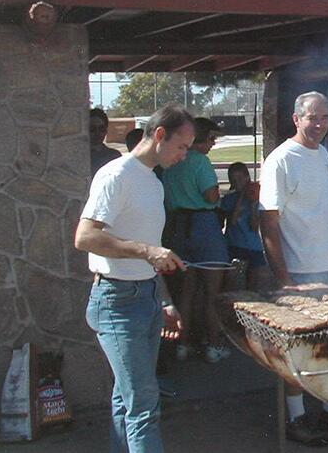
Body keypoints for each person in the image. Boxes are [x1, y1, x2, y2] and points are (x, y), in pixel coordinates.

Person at [75, 104, 194, 453]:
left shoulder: (154, 183)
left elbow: (153, 253)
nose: (184, 156)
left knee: (126, 399)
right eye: (181, 146)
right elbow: (85, 237)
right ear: (159, 135)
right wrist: (145, 251)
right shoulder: (116, 175)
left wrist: (167, 300)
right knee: (143, 402)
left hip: (146, 298)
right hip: (115, 302)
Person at [259, 91, 328, 446]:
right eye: (312, 118)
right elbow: (268, 223)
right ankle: (298, 419)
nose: (319, 125)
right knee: (297, 350)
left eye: (325, 118)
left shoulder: (323, 154)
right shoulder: (280, 160)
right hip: (300, 272)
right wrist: (284, 280)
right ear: (296, 118)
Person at [161, 117, 231, 364]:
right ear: (199, 138)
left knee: (187, 292)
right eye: (211, 138)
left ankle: (183, 344)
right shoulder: (200, 161)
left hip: (178, 227)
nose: (213, 143)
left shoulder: (170, 163)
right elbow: (211, 196)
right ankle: (213, 345)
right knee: (213, 293)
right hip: (204, 227)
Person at [219, 162, 267, 291]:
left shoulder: (257, 199)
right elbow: (232, 221)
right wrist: (240, 196)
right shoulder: (228, 199)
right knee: (229, 280)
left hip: (252, 244)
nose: (238, 183)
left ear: (247, 178)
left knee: (253, 281)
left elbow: (254, 226)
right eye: (234, 180)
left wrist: (252, 203)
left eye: (240, 179)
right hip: (233, 242)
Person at [90, 108, 122, 177]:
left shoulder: (114, 156)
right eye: (92, 129)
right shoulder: (81, 155)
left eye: (101, 129)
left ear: (106, 131)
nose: (97, 133)